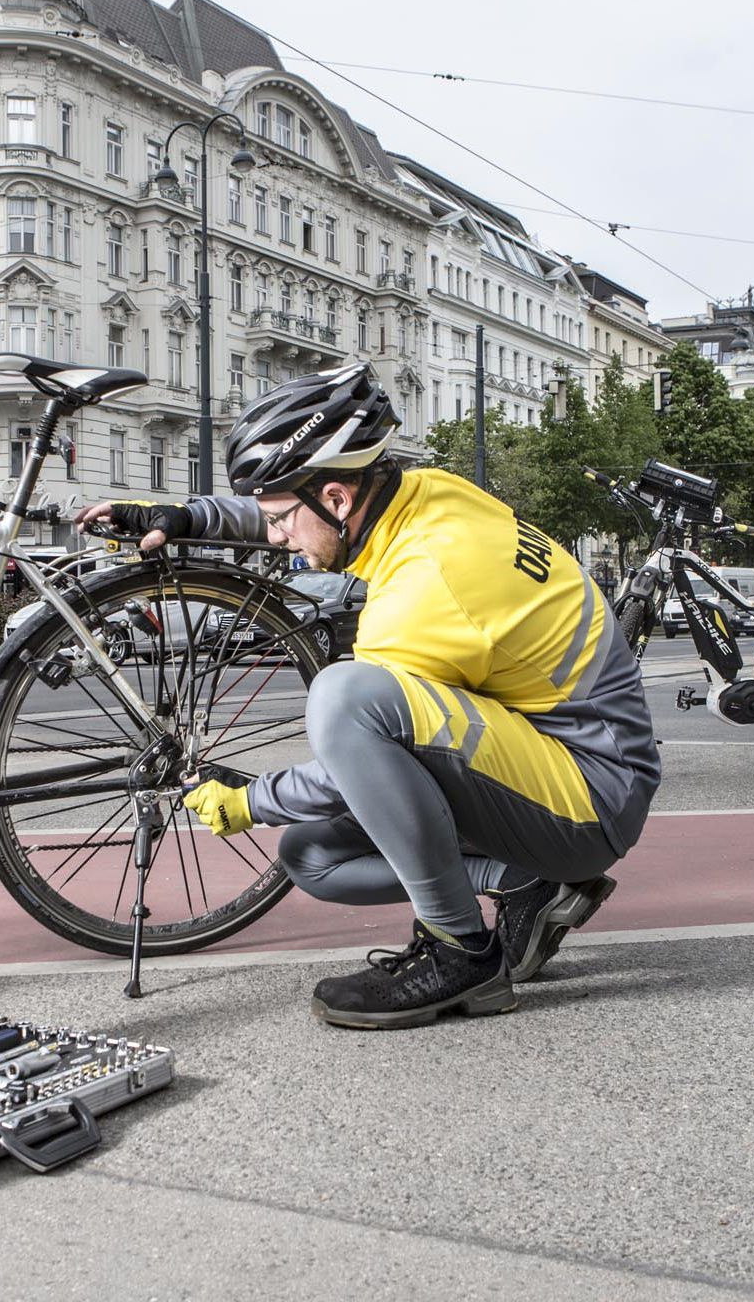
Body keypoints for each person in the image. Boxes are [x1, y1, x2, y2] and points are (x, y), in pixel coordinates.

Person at [77, 362, 659, 1029]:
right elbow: (297, 510)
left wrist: (247, 801)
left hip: (589, 794)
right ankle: (523, 878)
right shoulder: (427, 493)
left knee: (345, 696)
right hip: (548, 755)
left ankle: (461, 955)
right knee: (313, 856)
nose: (274, 537)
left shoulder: (429, 583)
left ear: (339, 497)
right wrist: (187, 516)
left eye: (278, 519)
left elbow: (350, 761)